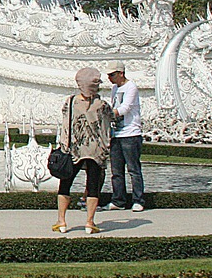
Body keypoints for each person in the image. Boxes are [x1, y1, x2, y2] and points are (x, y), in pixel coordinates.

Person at [52, 67, 114, 234]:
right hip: (95, 150)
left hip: (74, 150)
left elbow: (66, 125)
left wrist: (64, 145)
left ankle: (62, 221)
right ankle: (89, 222)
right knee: (93, 186)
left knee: (65, 184)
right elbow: (109, 123)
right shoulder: (102, 105)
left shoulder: (71, 101)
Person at [103, 62, 145, 212]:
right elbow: (115, 106)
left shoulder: (131, 87)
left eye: (112, 75)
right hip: (117, 133)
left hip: (131, 133)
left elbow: (125, 108)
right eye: (108, 75)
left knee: (133, 169)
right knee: (116, 170)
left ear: (121, 73)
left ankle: (138, 200)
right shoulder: (115, 88)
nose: (109, 78)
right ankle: (119, 200)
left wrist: (106, 114)